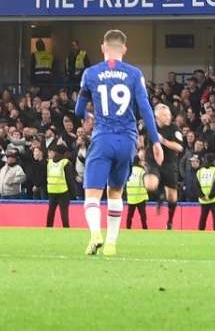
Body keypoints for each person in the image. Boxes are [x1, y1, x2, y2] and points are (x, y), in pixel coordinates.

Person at [74, 27, 163, 257]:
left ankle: (95, 234)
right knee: (115, 192)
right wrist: (155, 141)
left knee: (92, 194)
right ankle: (112, 244)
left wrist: (87, 118)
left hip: (103, 137)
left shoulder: (91, 73)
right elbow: (145, 108)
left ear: (103, 48)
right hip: (127, 140)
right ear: (124, 49)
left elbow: (78, 109)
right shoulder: (134, 74)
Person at [152, 102, 186, 228]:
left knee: (172, 197)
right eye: (165, 115)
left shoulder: (174, 129)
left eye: (169, 115)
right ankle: (160, 194)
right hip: (154, 161)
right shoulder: (150, 126)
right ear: (157, 116)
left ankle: (170, 221)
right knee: (151, 182)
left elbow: (179, 147)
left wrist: (163, 141)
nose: (168, 117)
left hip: (169, 163)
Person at [45, 140, 73, 227]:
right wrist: (73, 193)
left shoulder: (49, 162)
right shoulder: (66, 162)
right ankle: (66, 228)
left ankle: (48, 227)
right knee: (64, 211)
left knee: (51, 210)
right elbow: (69, 179)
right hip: (63, 191)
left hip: (51, 190)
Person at [195, 158, 215, 230]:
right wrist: (210, 196)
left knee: (203, 218)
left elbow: (196, 186)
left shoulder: (199, 172)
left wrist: (202, 196)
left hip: (203, 199)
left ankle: (200, 236)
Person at [125, 154, 151, 230]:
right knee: (143, 215)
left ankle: (128, 229)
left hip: (131, 197)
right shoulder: (142, 171)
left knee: (130, 215)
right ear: (139, 162)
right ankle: (145, 229)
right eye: (143, 161)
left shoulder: (129, 170)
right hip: (140, 196)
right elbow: (146, 183)